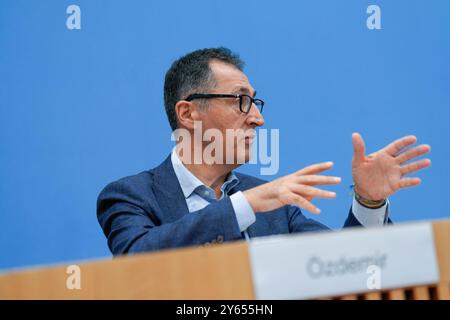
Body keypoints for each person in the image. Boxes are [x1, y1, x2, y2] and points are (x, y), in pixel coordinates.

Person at [97, 47, 431, 255]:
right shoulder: (131, 196)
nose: (257, 119)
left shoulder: (273, 204)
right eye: (241, 100)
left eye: (255, 102)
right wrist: (244, 206)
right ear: (188, 114)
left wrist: (368, 200)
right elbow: (135, 258)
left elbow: (340, 267)